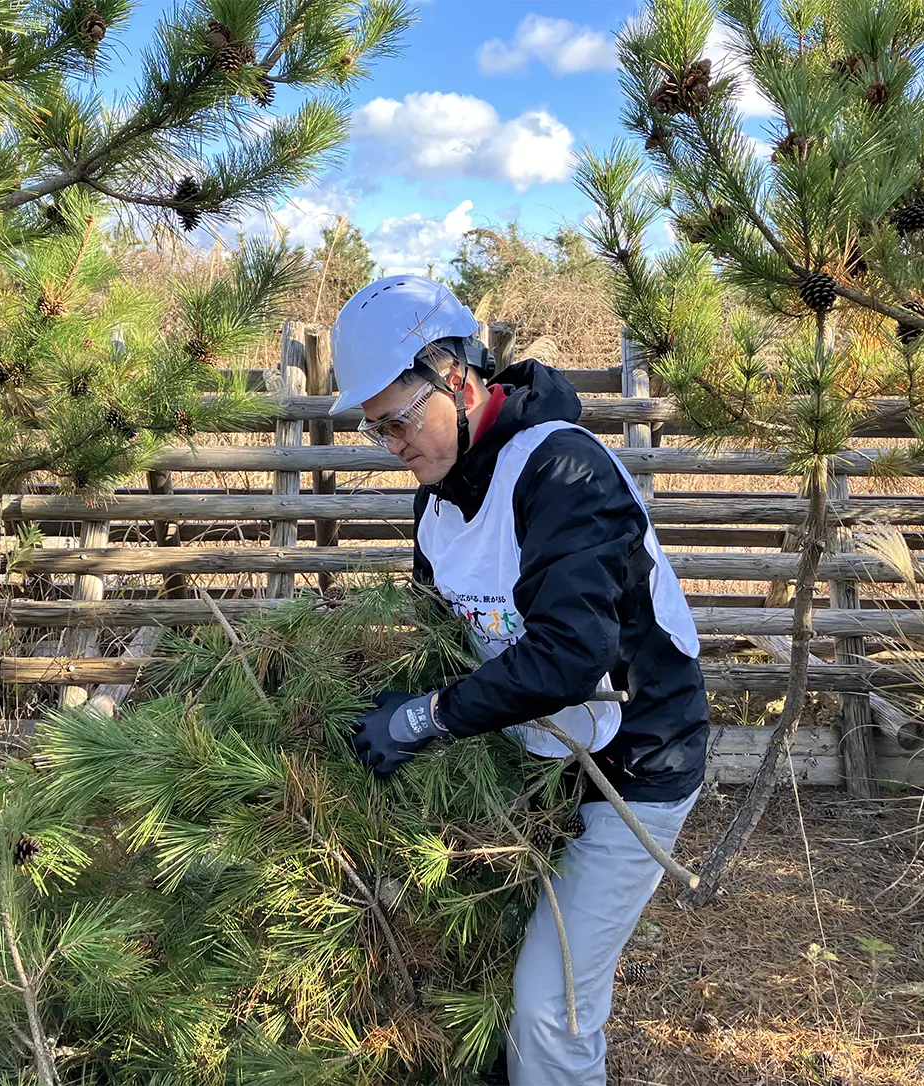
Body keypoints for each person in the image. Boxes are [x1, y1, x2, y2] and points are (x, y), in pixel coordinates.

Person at [331, 275, 710, 1086]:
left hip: (635, 759)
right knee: (485, 965)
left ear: (458, 378)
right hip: (534, 756)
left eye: (400, 420)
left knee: (550, 1004)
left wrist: (425, 718)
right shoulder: (437, 503)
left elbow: (572, 652)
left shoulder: (562, 471)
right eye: (375, 429)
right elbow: (445, 639)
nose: (392, 445)